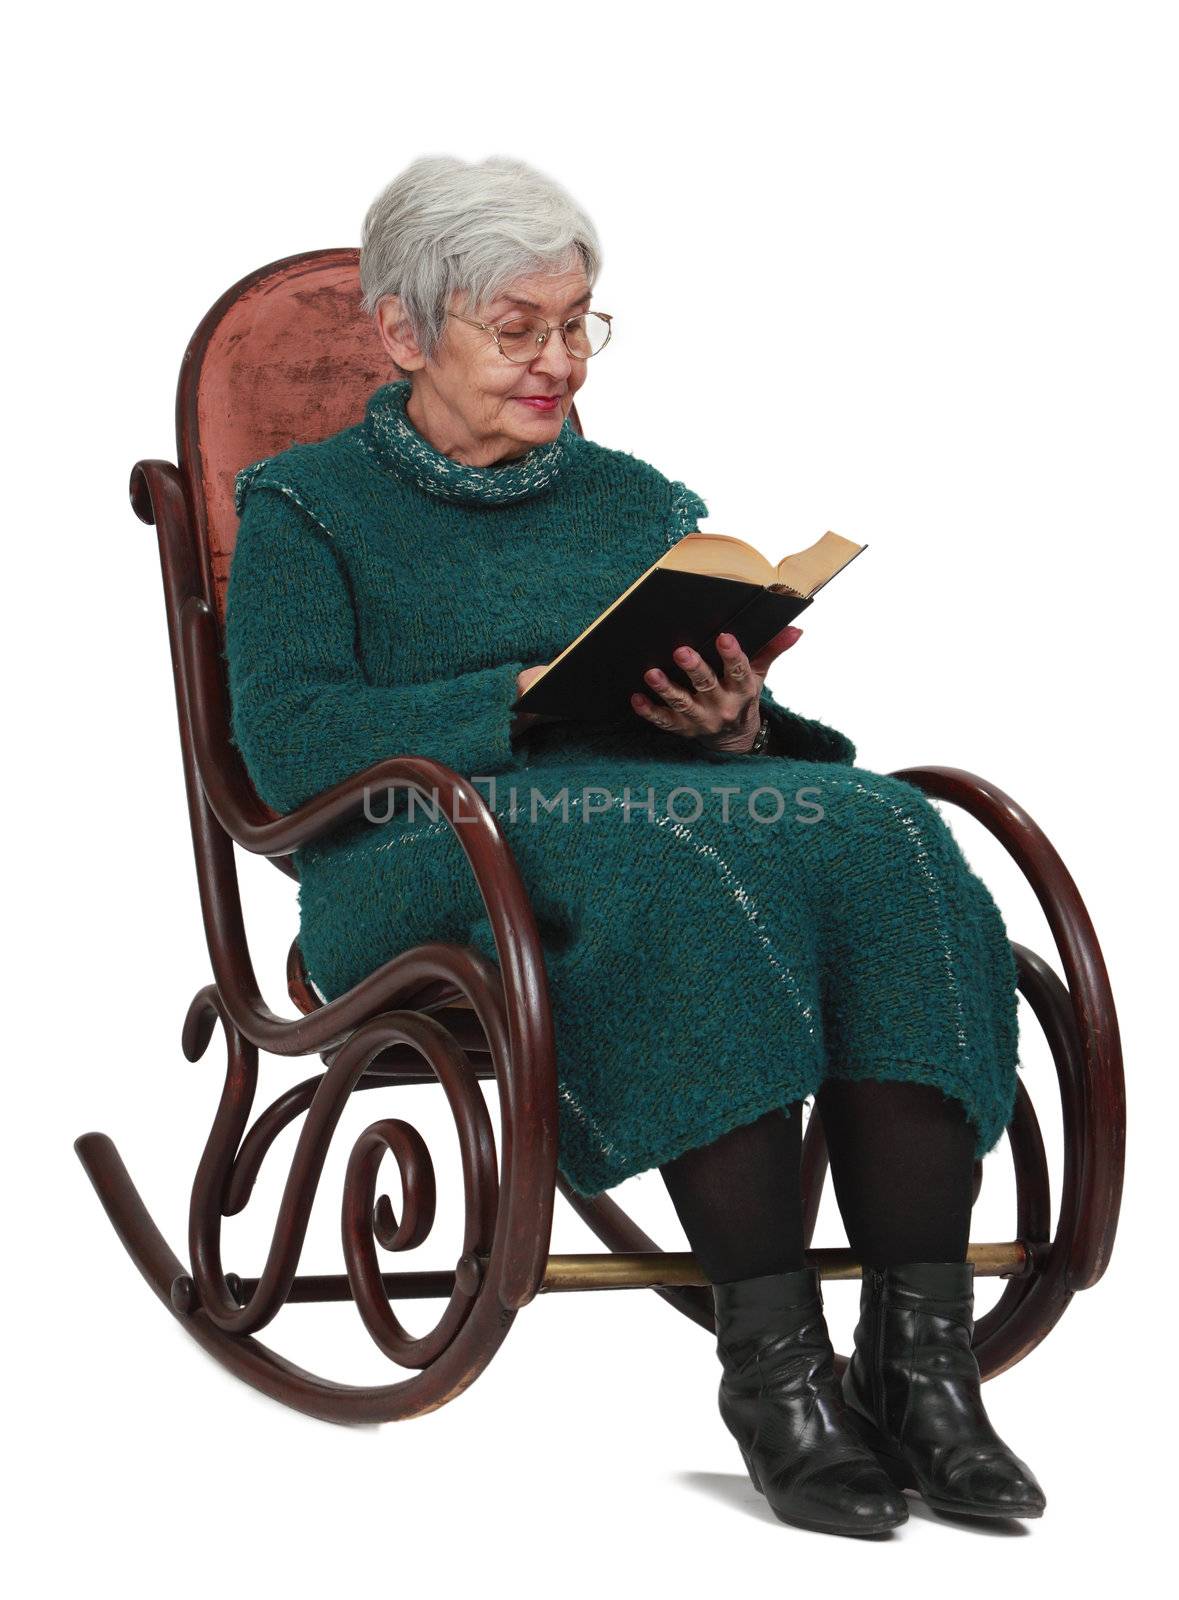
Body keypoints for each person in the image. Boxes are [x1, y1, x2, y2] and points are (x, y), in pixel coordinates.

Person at [224, 153, 1046, 1537]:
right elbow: (289, 749)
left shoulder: (637, 500)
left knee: (884, 831)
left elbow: (719, 722)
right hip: (423, 849)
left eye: (579, 323)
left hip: (658, 808)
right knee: (670, 867)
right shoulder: (306, 509)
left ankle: (925, 1373)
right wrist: (521, 702)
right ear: (408, 334)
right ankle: (775, 1380)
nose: (561, 363)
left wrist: (732, 726)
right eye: (520, 327)